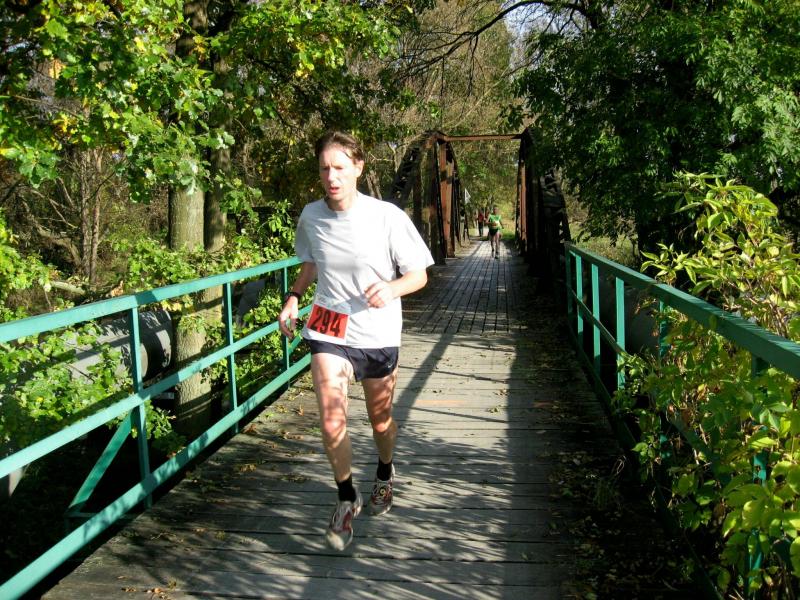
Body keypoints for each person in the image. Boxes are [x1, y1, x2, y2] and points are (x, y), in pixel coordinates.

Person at [278, 131, 434, 551]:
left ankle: (385, 468)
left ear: (359, 168)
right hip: (328, 328)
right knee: (331, 421)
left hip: (377, 333)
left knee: (381, 423)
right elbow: (311, 262)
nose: (331, 177)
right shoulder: (311, 216)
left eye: (340, 168)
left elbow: (418, 275)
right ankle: (347, 497)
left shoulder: (386, 217)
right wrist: (294, 297)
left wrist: (393, 288)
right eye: (324, 169)